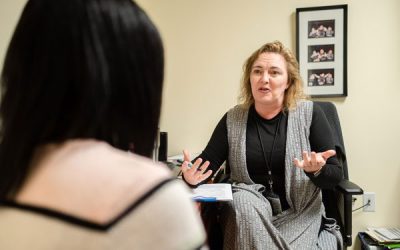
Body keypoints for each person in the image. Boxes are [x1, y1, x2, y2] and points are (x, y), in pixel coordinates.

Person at [0, 0, 205, 249]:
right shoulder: (148, 196)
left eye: (269, 71)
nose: (265, 79)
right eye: (257, 71)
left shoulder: (14, 177)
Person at [181, 41, 344, 249]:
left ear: (288, 82)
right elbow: (207, 162)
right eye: (257, 71)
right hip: (249, 216)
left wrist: (317, 170)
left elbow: (335, 175)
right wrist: (188, 175)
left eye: (274, 72)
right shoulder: (233, 118)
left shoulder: (310, 114)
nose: (264, 79)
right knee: (242, 203)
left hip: (299, 216)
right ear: (249, 78)